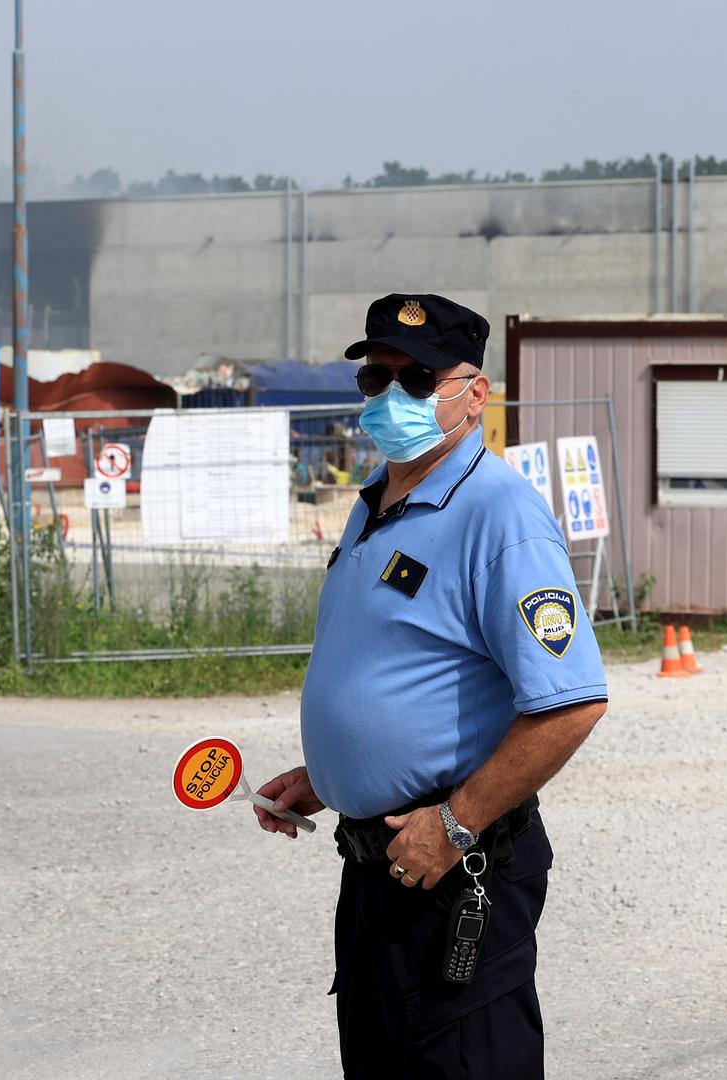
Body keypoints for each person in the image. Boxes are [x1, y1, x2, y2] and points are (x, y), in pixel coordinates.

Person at [255, 294, 608, 1079]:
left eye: (416, 379)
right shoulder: (375, 503)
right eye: (374, 376)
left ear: (474, 394)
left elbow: (572, 702)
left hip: (456, 866)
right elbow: (408, 670)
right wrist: (333, 774)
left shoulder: (499, 514)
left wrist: (455, 823)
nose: (389, 397)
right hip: (376, 866)